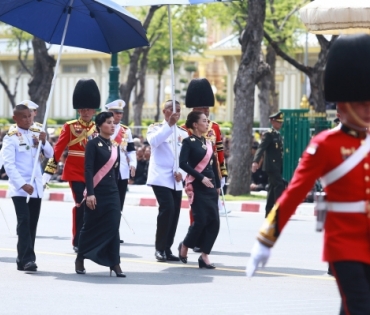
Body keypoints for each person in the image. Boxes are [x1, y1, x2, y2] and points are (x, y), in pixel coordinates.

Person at [247, 34, 370, 315]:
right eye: (362, 103)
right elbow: (294, 194)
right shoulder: (325, 144)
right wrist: (266, 239)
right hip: (344, 245)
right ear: (342, 105)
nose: (368, 108)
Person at [42, 79, 100, 252]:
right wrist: (47, 174)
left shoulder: (99, 127)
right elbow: (57, 151)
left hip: (95, 173)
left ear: (94, 109)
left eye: (88, 108)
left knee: (95, 206)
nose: (85, 111)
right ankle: (77, 240)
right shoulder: (70, 126)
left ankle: (91, 237)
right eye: (82, 109)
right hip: (75, 171)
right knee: (81, 205)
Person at [2, 104, 53, 271]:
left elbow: (51, 154)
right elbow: (9, 165)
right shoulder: (11, 137)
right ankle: (29, 259)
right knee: (23, 221)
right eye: (24, 117)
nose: (28, 119)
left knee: (32, 224)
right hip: (20, 188)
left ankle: (21, 258)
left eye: (30, 116)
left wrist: (44, 142)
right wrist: (22, 184)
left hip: (36, 187)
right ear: (15, 118)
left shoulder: (37, 132)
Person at [75, 111, 125, 277]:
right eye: (109, 122)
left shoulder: (114, 146)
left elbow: (115, 172)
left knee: (113, 226)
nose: (112, 125)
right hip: (96, 191)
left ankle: (115, 263)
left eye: (113, 122)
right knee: (89, 226)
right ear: (100, 125)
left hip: (112, 192)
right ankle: (81, 257)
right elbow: (88, 169)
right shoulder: (93, 144)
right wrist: (90, 193)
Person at [146, 100, 188, 262]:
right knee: (167, 208)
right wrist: (168, 126)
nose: (176, 113)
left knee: (175, 213)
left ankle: (167, 248)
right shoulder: (156, 128)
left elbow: (186, 157)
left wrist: (183, 173)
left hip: (176, 178)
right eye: (172, 110)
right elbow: (154, 142)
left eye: (178, 110)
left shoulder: (183, 133)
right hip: (160, 176)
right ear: (165, 111)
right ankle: (159, 248)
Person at [178, 111, 221, 269]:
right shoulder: (188, 142)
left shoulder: (209, 143)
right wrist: (200, 177)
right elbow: (183, 164)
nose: (207, 123)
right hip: (197, 185)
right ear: (195, 124)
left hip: (210, 186)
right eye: (204, 120)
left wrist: (217, 186)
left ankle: (204, 256)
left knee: (214, 222)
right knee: (201, 220)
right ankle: (185, 246)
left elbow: (213, 166)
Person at [106, 100, 137, 243]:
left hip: (122, 172)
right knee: (106, 203)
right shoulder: (102, 128)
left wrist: (134, 163)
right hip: (106, 171)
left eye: (120, 113)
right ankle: (104, 232)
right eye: (116, 113)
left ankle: (114, 233)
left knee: (119, 203)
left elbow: (130, 149)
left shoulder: (126, 130)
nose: (119, 115)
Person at [252, 112, 284, 217]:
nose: (280, 124)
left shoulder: (280, 134)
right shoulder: (269, 134)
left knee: (272, 188)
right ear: (272, 122)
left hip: (279, 165)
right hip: (271, 165)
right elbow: (261, 148)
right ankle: (278, 210)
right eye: (278, 122)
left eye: (281, 122)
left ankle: (269, 212)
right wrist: (255, 161)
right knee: (279, 185)